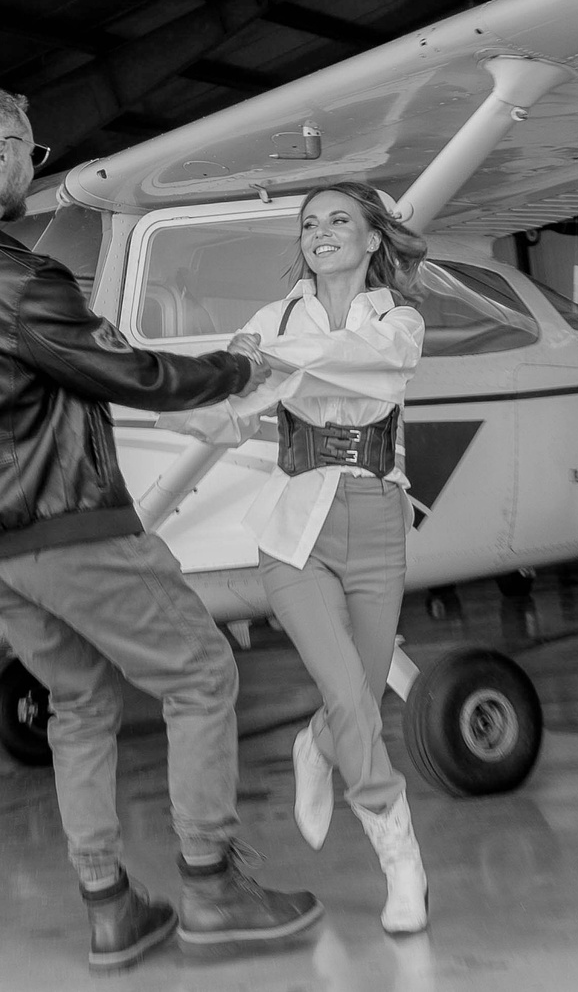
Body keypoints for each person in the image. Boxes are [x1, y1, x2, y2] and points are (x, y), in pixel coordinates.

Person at [0, 85, 326, 971]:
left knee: (80, 702)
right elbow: (133, 373)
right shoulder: (19, 280)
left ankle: (110, 905)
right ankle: (212, 887)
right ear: (4, 152)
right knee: (200, 674)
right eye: (34, 154)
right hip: (64, 526)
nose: (32, 171)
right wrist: (239, 368)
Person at [160, 181, 431, 934]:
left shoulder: (397, 319)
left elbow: (367, 365)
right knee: (351, 697)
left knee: (362, 698)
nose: (321, 232)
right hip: (293, 530)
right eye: (310, 223)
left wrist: (264, 361)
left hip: (378, 518)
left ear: (373, 238)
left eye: (339, 220)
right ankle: (402, 864)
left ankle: (314, 745)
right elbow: (231, 408)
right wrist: (195, 394)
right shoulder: (270, 319)